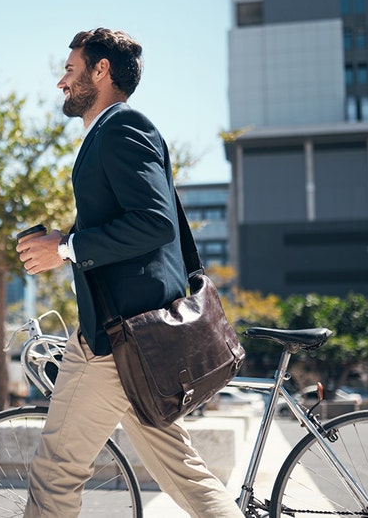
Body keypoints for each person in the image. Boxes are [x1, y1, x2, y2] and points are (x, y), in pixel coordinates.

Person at [16, 28, 244, 517]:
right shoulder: (114, 132)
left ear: (101, 71)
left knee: (55, 472)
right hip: (139, 339)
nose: (61, 82)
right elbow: (142, 221)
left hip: (116, 339)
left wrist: (69, 247)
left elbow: (155, 222)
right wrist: (64, 243)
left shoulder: (122, 126)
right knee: (184, 475)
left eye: (70, 69)